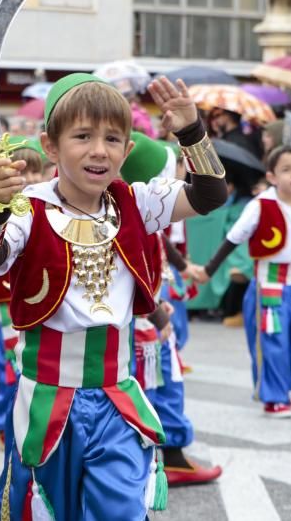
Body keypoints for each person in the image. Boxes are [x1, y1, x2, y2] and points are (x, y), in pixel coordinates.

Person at [0, 73, 227, 519]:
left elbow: (210, 195)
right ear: (51, 146)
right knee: (48, 509)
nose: (98, 150)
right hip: (47, 400)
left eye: (112, 138)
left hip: (117, 398)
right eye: (83, 136)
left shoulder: (137, 202)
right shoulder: (28, 209)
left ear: (127, 150)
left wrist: (190, 130)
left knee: (121, 510)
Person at [190, 146, 291, 418]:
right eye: (286, 169)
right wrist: (209, 269)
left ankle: (277, 385)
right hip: (269, 287)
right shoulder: (260, 205)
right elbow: (234, 239)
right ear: (272, 176)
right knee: (273, 343)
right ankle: (275, 396)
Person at [121, 132, 222, 487]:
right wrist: (158, 314)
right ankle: (169, 458)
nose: (182, 173)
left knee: (161, 387)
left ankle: (162, 458)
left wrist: (182, 270)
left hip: (146, 321)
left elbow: (162, 248)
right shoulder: (133, 221)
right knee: (161, 389)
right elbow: (134, 273)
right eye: (176, 167)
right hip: (145, 328)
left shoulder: (142, 218)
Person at [0, 137, 45, 442]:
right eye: (24, 172)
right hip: (5, 305)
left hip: (34, 303)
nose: (30, 179)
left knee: (23, 368)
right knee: (13, 366)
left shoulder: (46, 210)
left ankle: (7, 421)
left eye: (36, 171)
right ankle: (7, 422)